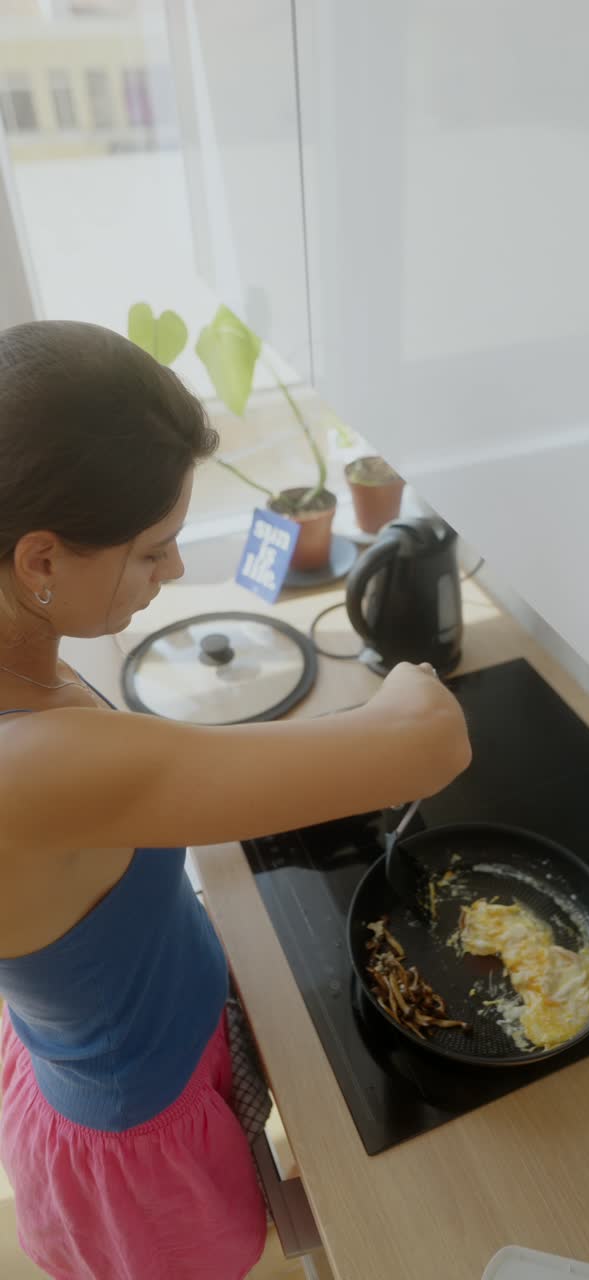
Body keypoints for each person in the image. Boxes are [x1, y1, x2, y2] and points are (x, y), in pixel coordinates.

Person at [0, 321, 472, 1280]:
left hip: (130, 1037)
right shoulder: (39, 768)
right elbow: (432, 742)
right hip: (138, 1144)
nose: (172, 574)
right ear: (40, 560)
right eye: (154, 551)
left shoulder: (29, 666)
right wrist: (412, 676)